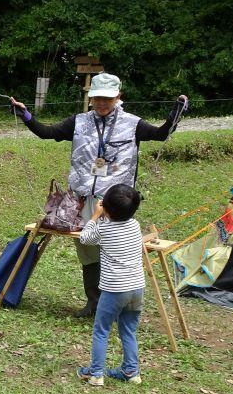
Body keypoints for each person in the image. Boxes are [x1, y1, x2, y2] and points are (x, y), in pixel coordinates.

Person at [10, 73, 187, 317]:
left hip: (115, 202)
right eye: (97, 99)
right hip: (82, 199)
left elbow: (161, 134)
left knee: (114, 251)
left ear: (118, 97)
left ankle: (115, 305)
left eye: (108, 99)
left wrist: (174, 116)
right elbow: (46, 132)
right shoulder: (79, 122)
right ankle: (94, 303)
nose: (102, 103)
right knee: (88, 250)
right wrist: (26, 116)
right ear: (90, 98)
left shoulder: (132, 123)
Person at [75, 184, 146, 387]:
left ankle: (96, 373)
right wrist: (105, 213)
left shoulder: (104, 228)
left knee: (101, 330)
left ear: (105, 207)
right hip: (136, 288)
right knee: (128, 330)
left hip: (115, 289)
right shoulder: (135, 225)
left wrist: (95, 216)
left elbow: (85, 238)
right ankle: (131, 371)